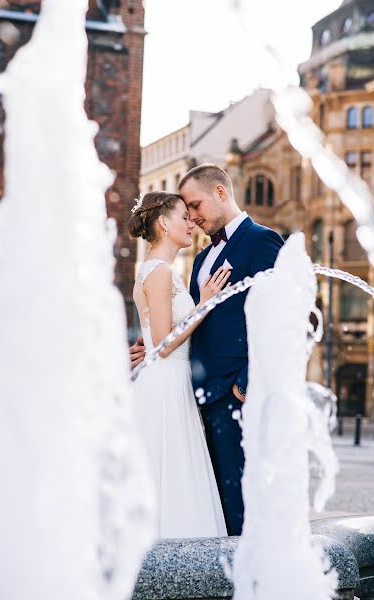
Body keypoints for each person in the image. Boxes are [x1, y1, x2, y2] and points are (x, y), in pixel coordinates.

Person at [131, 164, 284, 536]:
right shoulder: (199, 260)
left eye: (195, 206)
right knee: (205, 498)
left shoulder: (262, 240)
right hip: (192, 396)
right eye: (186, 212)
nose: (194, 217)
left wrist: (244, 387)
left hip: (234, 397)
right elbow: (189, 324)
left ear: (220, 192)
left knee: (239, 504)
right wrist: (149, 343)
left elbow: (280, 317)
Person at [128, 191, 228, 539]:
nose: (191, 223)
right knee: (170, 472)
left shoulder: (161, 271)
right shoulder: (158, 271)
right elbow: (164, 344)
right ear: (163, 223)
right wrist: (204, 304)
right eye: (184, 216)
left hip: (170, 382)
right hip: (165, 384)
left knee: (173, 472)